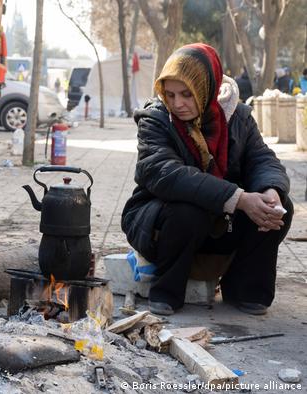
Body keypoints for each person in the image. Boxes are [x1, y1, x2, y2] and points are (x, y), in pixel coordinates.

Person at [121, 43, 293, 316]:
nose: (178, 103)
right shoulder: (155, 119)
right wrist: (238, 199)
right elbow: (165, 173)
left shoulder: (238, 117)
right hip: (164, 225)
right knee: (190, 208)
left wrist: (270, 190)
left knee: (278, 205)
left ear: (206, 88)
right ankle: (167, 291)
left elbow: (263, 160)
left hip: (220, 226)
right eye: (171, 94)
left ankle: (245, 291)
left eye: (187, 94)